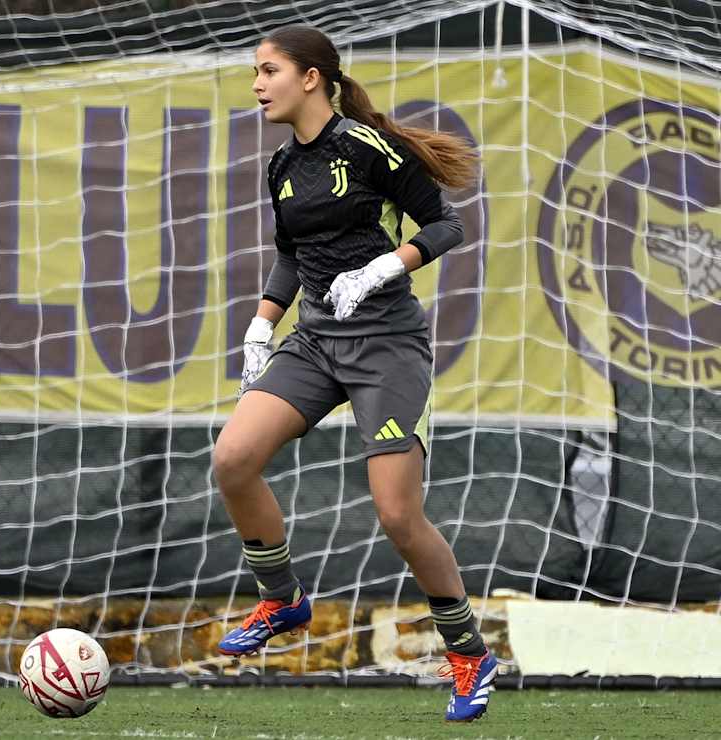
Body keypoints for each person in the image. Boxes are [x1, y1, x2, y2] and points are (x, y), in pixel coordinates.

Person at [211, 24, 495, 722]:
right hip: (315, 342)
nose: (257, 84)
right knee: (233, 459)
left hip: (387, 347)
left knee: (398, 516)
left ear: (311, 77)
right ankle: (282, 599)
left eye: (269, 70)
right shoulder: (280, 167)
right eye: (255, 71)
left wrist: (381, 267)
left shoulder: (371, 150)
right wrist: (261, 322)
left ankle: (468, 653)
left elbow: (446, 224)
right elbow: (291, 254)